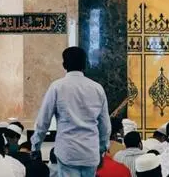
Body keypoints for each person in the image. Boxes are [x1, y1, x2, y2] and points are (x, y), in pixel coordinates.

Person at [32, 47, 111, 177]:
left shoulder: (57, 87)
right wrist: (101, 150)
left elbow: (43, 121)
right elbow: (105, 126)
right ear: (85, 64)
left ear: (64, 64)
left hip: (67, 152)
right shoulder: (97, 89)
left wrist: (36, 146)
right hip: (90, 153)